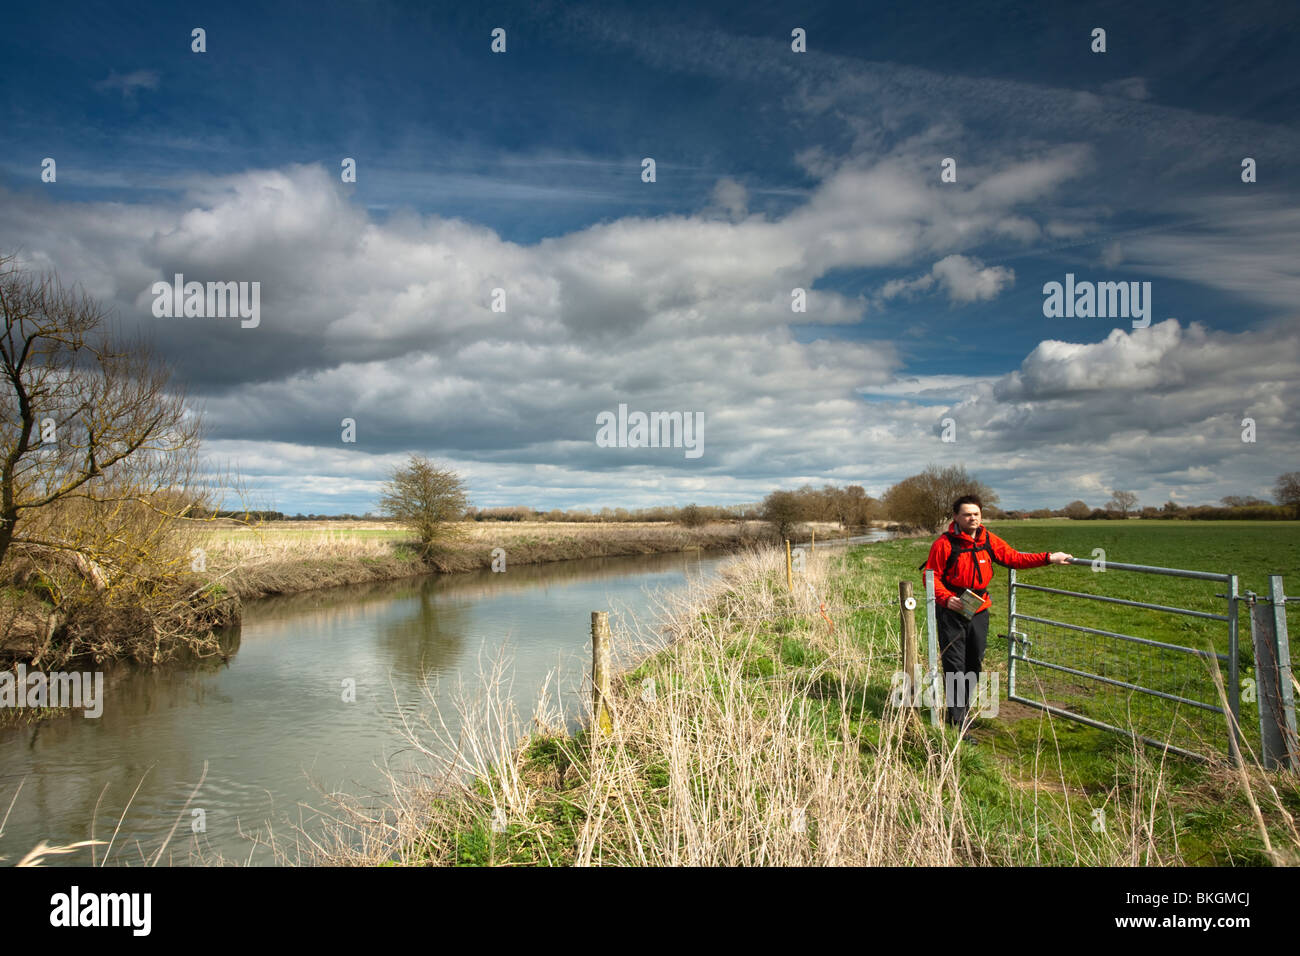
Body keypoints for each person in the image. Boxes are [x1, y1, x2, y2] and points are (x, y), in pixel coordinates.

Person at [919, 495, 1073, 742]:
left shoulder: (988, 540)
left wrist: (1049, 557)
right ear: (956, 517)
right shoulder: (944, 544)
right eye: (967, 514)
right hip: (952, 611)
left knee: (974, 663)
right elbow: (931, 576)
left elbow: (1014, 558)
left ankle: (960, 711)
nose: (973, 518)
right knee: (955, 665)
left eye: (977, 514)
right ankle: (958, 723)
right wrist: (947, 598)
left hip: (979, 611)